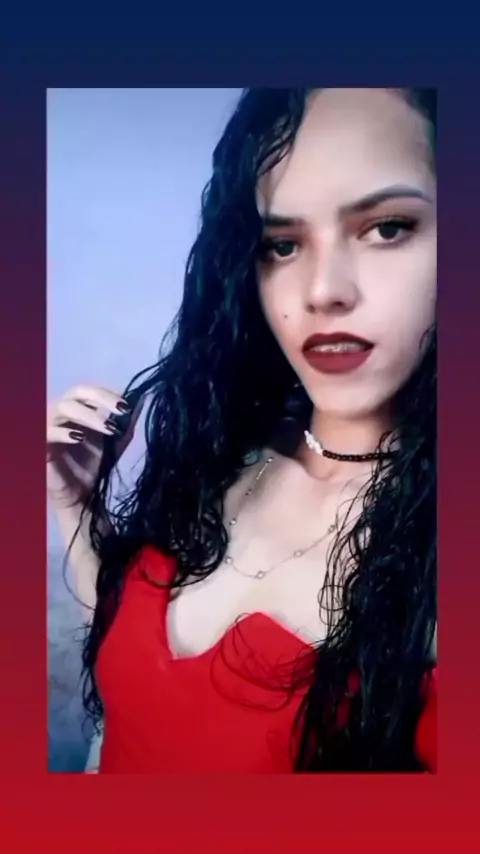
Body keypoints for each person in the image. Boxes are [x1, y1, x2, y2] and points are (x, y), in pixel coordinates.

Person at [47, 87, 437, 773]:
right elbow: (132, 671)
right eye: (282, 245)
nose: (322, 290)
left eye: (387, 228)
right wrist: (74, 504)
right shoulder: (229, 448)